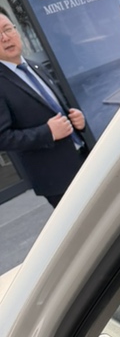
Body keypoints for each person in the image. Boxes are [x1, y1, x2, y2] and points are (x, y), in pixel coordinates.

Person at [0, 12, 86, 208]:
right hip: (57, 178)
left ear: (16, 31)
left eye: (7, 29)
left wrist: (78, 122)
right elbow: (2, 137)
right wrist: (47, 133)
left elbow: (55, 109)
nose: (5, 38)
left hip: (84, 159)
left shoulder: (36, 67)